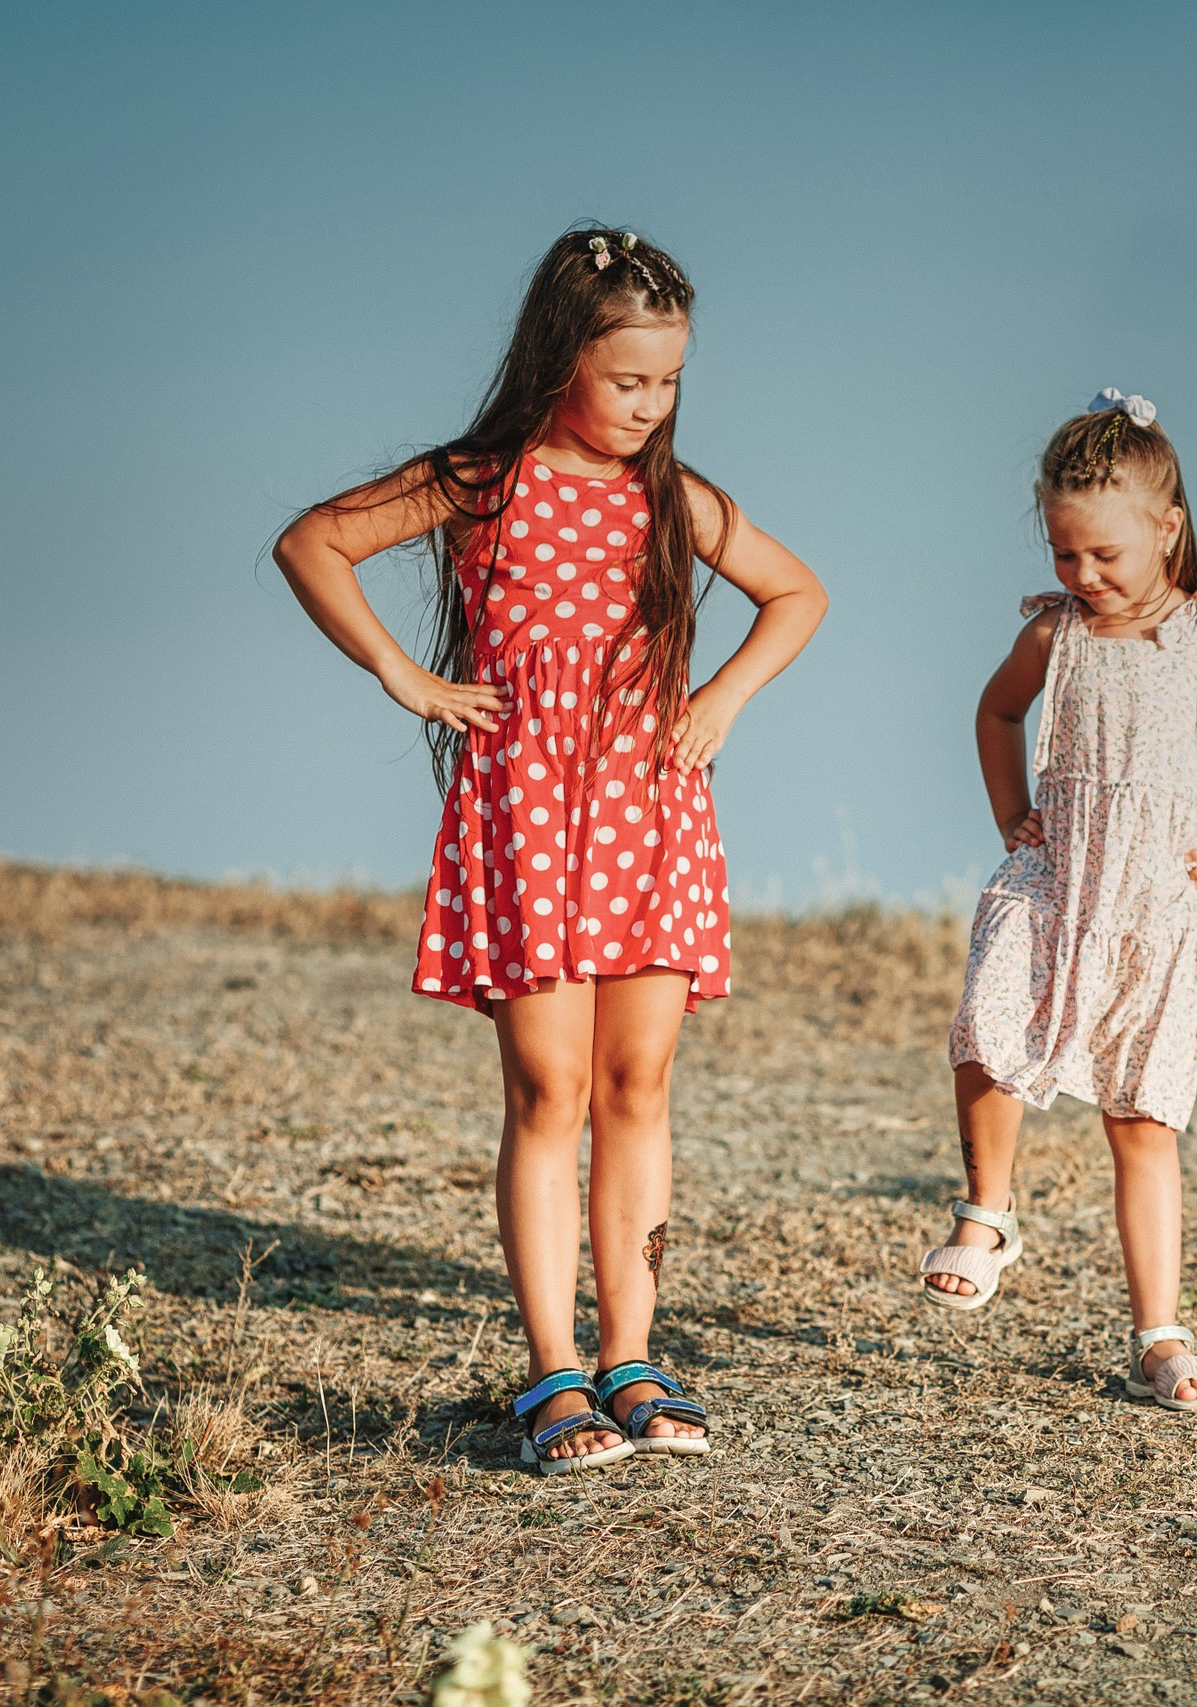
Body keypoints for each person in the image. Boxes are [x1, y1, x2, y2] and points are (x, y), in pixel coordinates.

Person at [276, 227, 826, 1472]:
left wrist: (723, 699)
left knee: (638, 1091)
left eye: (669, 381)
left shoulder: (667, 499)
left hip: (651, 817)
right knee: (550, 1095)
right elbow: (313, 540)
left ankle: (633, 1355)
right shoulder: (482, 480)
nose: (650, 405)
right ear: (560, 355)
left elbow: (797, 594)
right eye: (628, 379)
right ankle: (551, 1374)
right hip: (526, 815)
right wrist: (404, 676)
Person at [923, 389, 1197, 1412]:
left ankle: (1159, 1335)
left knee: (1141, 1121)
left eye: (1105, 555)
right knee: (985, 1026)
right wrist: (1011, 809)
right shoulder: (1056, 634)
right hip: (1056, 879)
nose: (1083, 575)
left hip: (1158, 907)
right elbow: (996, 711)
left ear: (1166, 527)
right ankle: (986, 1214)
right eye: (1064, 555)